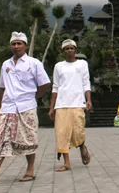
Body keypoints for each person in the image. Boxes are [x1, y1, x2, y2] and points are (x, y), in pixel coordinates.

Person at [0, 32, 51, 185]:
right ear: (10, 46)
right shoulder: (6, 65)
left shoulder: (33, 63)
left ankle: (30, 169)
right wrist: (0, 107)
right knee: (2, 140)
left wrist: (34, 96)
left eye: (19, 43)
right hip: (8, 108)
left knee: (28, 139)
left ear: (25, 45)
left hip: (26, 107)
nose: (16, 46)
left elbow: (45, 83)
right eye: (13, 44)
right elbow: (2, 87)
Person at [49, 39, 92, 171]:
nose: (69, 50)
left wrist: (88, 99)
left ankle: (82, 147)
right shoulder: (58, 66)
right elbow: (55, 87)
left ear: (75, 50)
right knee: (62, 134)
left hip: (78, 102)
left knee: (78, 131)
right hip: (61, 104)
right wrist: (51, 107)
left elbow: (86, 83)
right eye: (67, 48)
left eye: (72, 48)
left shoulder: (82, 64)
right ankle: (67, 163)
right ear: (63, 51)